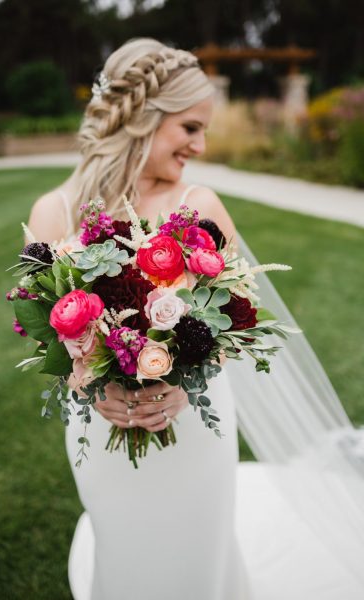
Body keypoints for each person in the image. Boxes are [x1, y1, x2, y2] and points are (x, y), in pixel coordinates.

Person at [27, 38, 364, 600]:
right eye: (189, 127)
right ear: (143, 118)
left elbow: (239, 322)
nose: (201, 145)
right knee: (125, 550)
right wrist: (86, 384)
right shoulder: (53, 213)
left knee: (197, 559)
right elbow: (46, 337)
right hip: (98, 426)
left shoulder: (199, 206)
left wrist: (185, 386)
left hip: (189, 428)